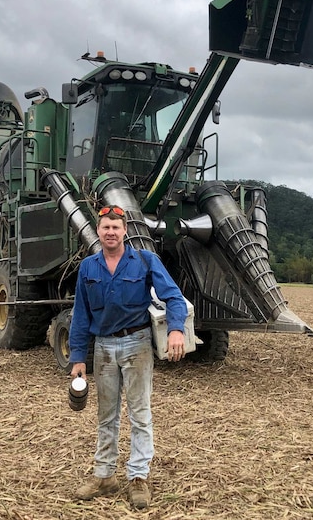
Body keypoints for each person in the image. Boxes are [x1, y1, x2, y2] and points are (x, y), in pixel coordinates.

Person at [69, 204, 188, 510]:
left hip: (137, 345)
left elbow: (173, 296)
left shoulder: (145, 261)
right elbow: (80, 314)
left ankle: (138, 477)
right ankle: (105, 475)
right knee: (106, 415)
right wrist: (78, 356)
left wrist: (176, 330)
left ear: (125, 231)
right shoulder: (88, 267)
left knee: (140, 414)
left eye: (116, 227)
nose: (111, 232)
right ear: (98, 230)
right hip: (104, 348)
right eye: (105, 227)